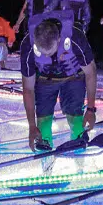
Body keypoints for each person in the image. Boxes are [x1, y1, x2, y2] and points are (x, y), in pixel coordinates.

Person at [20, 9, 98, 152]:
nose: (47, 56)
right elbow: (28, 88)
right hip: (45, 79)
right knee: (42, 124)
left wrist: (91, 109)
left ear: (59, 39)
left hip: (73, 76)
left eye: (50, 52)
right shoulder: (28, 46)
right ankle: (46, 165)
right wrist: (31, 125)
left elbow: (91, 72)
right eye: (43, 53)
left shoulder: (75, 37)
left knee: (76, 119)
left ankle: (79, 159)